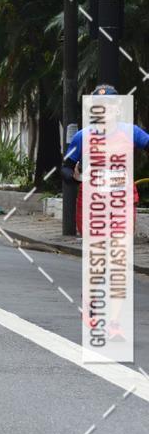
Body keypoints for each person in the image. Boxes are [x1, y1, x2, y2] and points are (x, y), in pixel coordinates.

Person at [61, 83, 149, 339]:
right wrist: (76, 178)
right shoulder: (83, 136)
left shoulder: (131, 132)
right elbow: (66, 167)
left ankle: (114, 322)